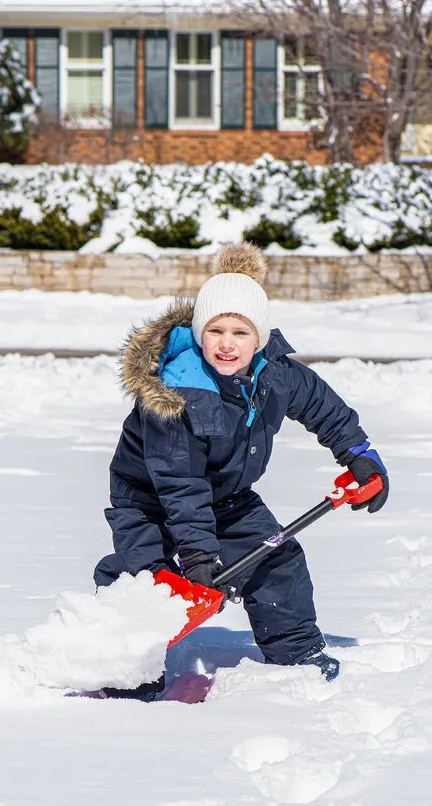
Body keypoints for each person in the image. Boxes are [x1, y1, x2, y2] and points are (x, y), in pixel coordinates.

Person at [94, 243, 388, 700]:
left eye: (240, 331)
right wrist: (198, 556)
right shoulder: (177, 393)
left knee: (277, 560)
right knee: (145, 581)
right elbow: (179, 483)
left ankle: (296, 655)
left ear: (261, 337)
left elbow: (323, 408)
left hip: (228, 496)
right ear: (198, 333)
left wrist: (358, 453)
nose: (227, 343)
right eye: (215, 330)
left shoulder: (275, 374)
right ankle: (129, 669)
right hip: (150, 501)